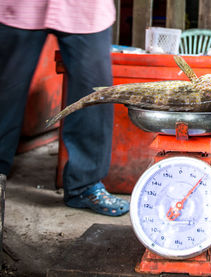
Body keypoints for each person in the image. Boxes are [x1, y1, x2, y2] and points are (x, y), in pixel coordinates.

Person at [0, 1, 129, 216]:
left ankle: (84, 186)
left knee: (93, 93)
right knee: (5, 89)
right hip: (20, 7)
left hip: (86, 9)